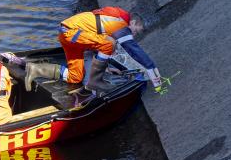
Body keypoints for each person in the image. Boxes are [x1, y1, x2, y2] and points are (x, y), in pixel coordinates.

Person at [24, 6, 162, 99]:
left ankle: (37, 69)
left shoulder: (113, 17)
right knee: (109, 44)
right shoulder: (121, 23)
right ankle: (95, 81)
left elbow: (96, 43)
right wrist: (151, 68)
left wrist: (107, 67)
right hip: (72, 33)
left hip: (67, 33)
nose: (134, 35)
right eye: (135, 30)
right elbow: (133, 50)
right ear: (132, 22)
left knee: (75, 77)